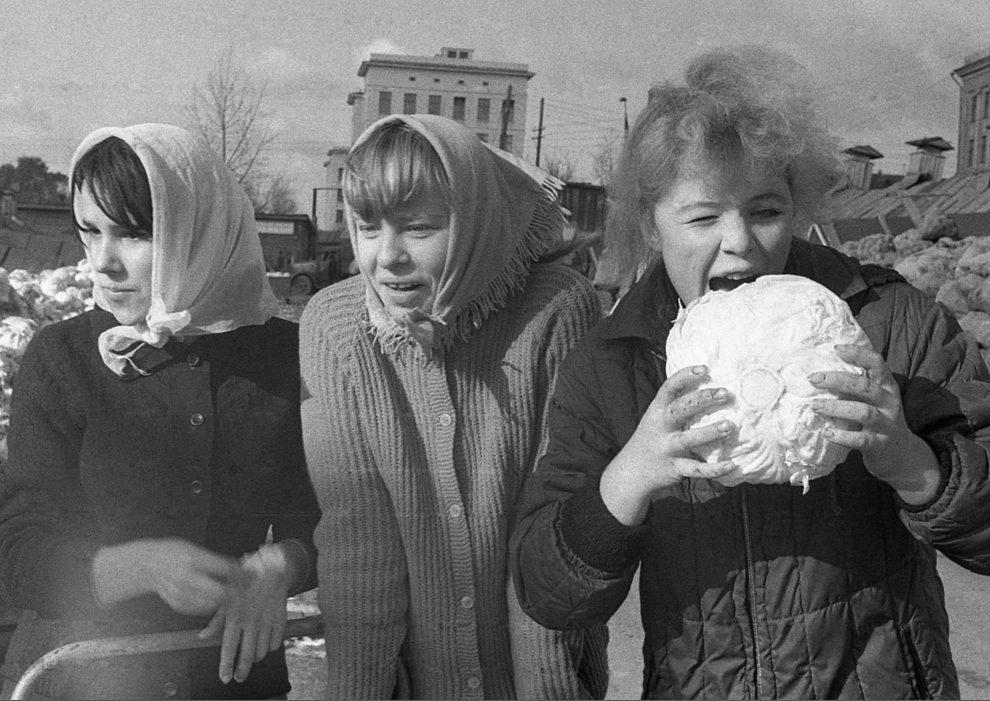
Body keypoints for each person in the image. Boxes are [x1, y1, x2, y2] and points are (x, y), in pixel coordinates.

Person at [510, 46, 990, 700]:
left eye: (765, 211)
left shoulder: (890, 324)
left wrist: (912, 463)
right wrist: (629, 477)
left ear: (798, 206)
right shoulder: (615, 361)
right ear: (651, 224)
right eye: (703, 217)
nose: (738, 241)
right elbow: (548, 594)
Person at [0, 124, 320, 699]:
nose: (103, 262)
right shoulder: (64, 358)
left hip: (228, 679)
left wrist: (281, 567)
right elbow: (17, 549)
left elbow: (333, 518)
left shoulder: (283, 358)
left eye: (133, 234)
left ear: (199, 230)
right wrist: (138, 567)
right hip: (82, 678)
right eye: (89, 231)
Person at [300, 114, 608, 699]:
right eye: (367, 228)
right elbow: (359, 543)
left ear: (472, 220)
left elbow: (550, 529)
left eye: (417, 228)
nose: (387, 256)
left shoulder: (555, 311)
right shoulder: (336, 329)